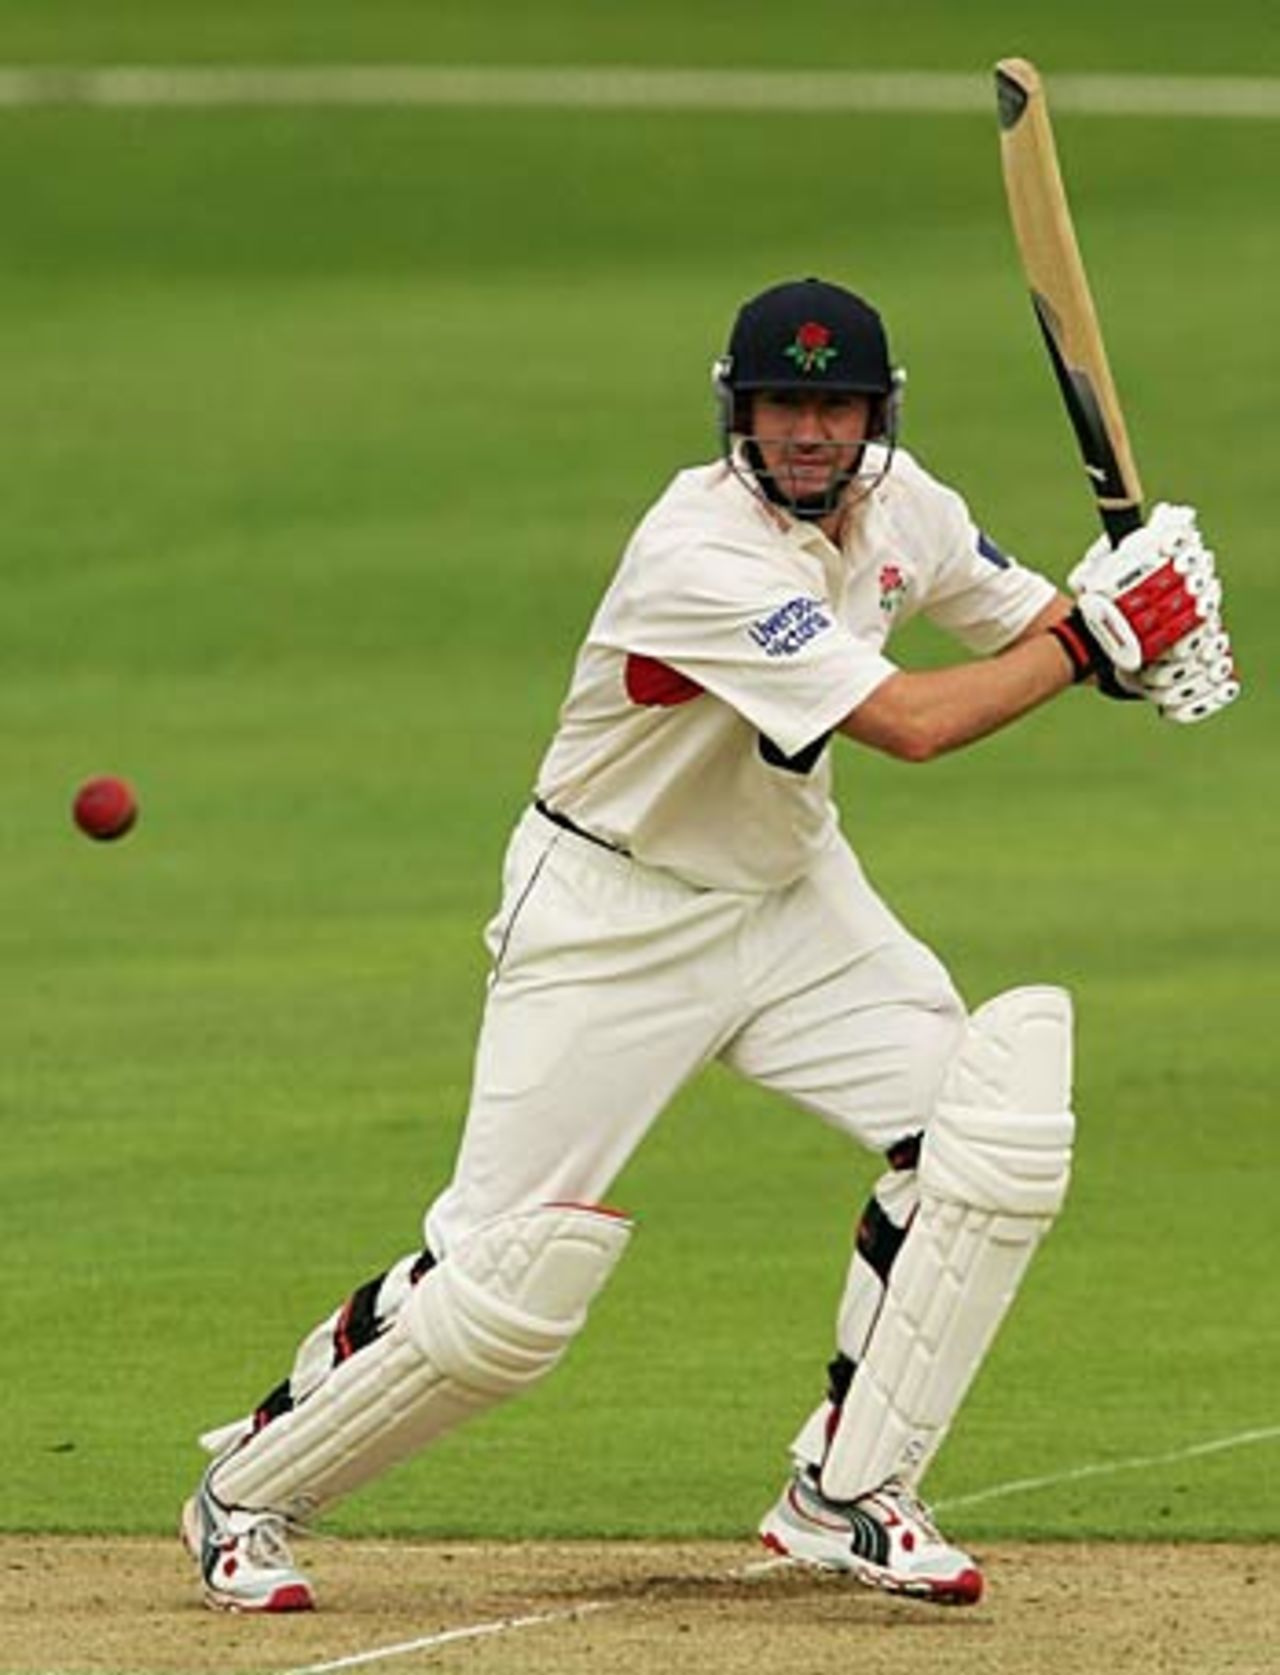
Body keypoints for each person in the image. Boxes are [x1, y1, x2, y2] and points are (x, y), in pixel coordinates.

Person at [181, 277, 1237, 1613]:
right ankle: (243, 1496)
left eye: (833, 405)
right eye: (782, 404)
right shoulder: (702, 554)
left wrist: (1133, 627)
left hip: (792, 901)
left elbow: (1022, 627)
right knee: (499, 1297)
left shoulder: (912, 508)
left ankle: (846, 1496)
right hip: (609, 915)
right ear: (739, 415)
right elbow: (914, 721)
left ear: (876, 416)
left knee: (989, 1131)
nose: (807, 431)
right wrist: (1097, 646)